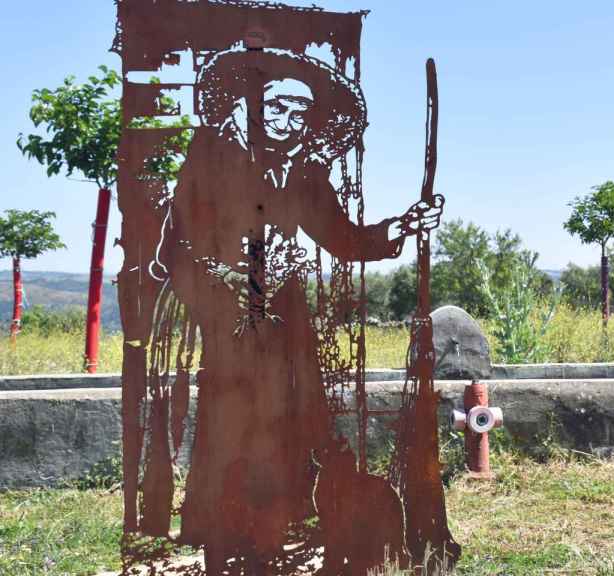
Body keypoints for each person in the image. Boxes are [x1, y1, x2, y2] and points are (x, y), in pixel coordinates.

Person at [157, 48, 434, 570]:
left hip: (286, 316)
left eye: (301, 113)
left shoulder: (302, 174)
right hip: (229, 312)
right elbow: (179, 246)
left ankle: (277, 529)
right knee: (234, 418)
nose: (289, 121)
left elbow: (343, 237)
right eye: (277, 108)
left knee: (289, 416)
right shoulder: (211, 157)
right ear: (250, 107)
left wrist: (400, 227)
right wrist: (233, 279)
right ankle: (226, 538)